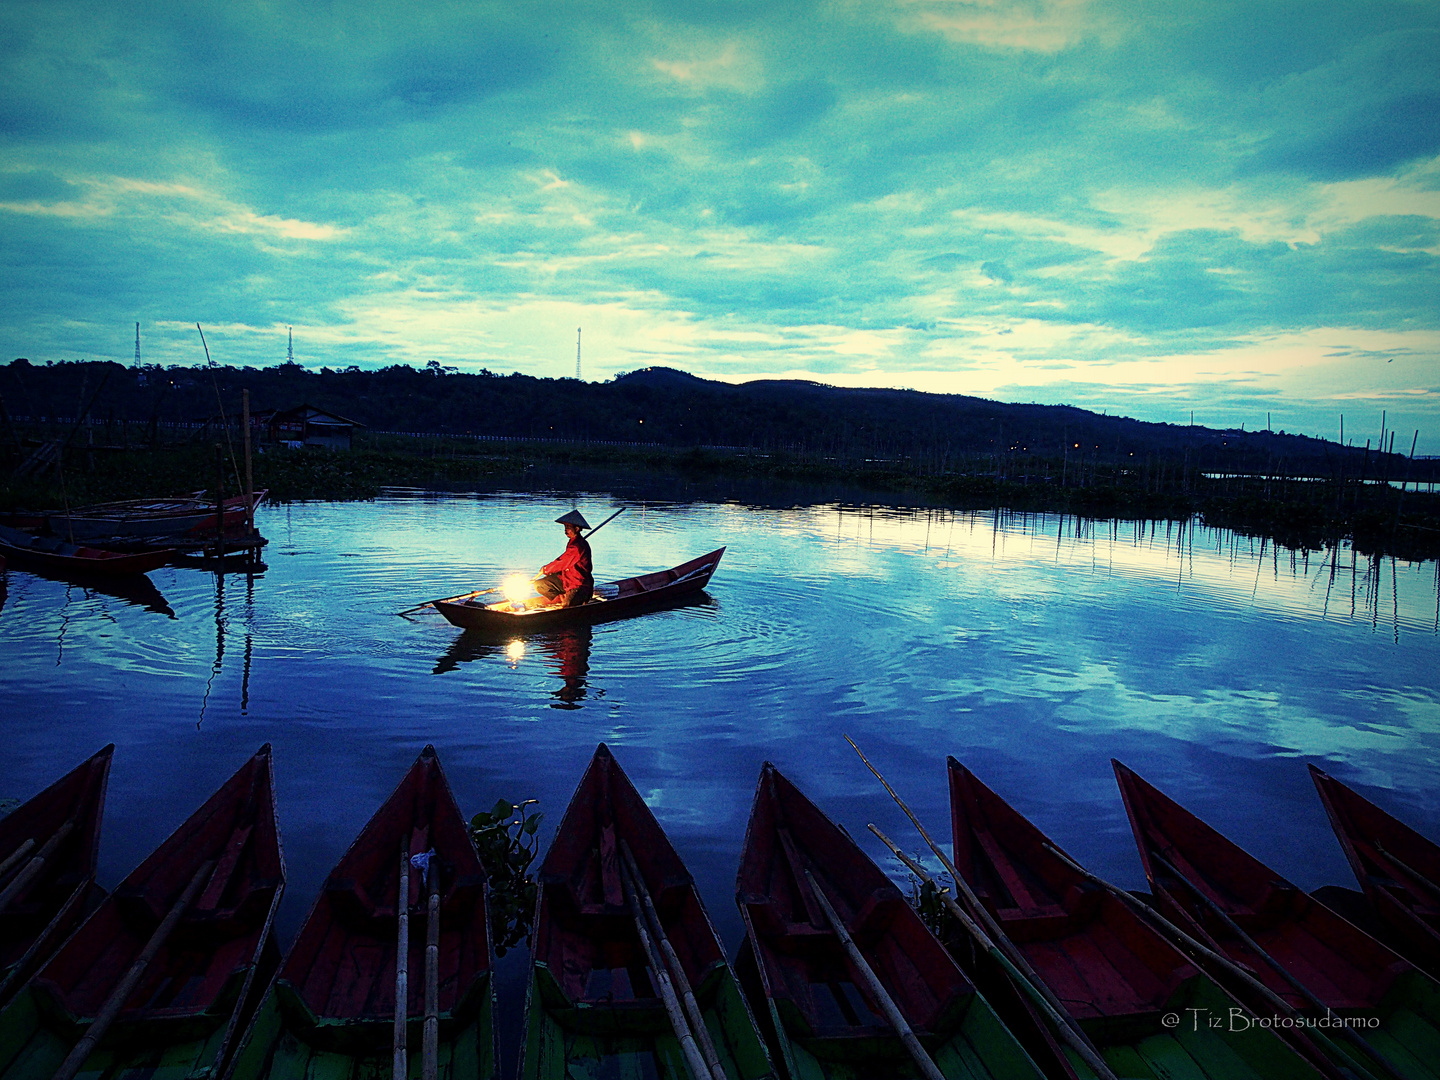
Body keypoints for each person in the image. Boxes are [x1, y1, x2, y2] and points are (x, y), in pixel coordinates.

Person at [533, 510, 594, 608]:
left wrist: (545, 569)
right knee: (540, 584)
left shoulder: (577, 547)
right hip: (567, 580)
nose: (565, 531)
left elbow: (562, 563)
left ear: (577, 528)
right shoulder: (573, 543)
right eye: (565, 527)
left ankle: (569, 600)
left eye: (568, 528)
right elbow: (563, 560)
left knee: (567, 608)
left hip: (578, 585)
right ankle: (562, 597)